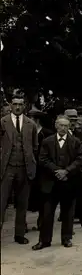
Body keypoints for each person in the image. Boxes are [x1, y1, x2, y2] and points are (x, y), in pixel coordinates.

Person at [33, 115, 82, 250]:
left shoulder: (76, 142)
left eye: (66, 126)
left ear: (69, 127)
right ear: (56, 125)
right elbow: (42, 159)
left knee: (68, 211)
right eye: (61, 125)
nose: (63, 128)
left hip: (69, 181)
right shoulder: (47, 141)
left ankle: (66, 238)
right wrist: (57, 171)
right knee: (47, 213)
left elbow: (80, 159)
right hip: (51, 182)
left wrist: (66, 171)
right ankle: (44, 240)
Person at [0, 92, 39, 245]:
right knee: (1, 203)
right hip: (7, 168)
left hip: (25, 168)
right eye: (14, 104)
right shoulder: (2, 122)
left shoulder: (31, 124)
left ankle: (19, 234)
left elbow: (35, 146)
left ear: (24, 106)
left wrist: (31, 162)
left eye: (20, 104)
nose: (17, 107)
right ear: (10, 105)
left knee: (23, 203)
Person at [26, 108, 54, 231]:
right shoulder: (25, 132)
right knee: (26, 196)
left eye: (31, 119)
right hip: (29, 168)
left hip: (43, 170)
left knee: (43, 195)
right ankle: (23, 223)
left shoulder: (47, 133)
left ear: (37, 120)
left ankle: (41, 221)